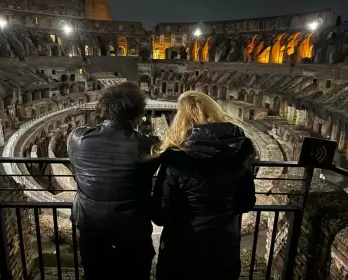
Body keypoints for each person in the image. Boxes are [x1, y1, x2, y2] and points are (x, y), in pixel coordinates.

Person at [151, 91, 256, 280]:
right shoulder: (239, 153)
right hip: (223, 247)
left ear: (180, 120)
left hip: (182, 250)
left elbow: (160, 215)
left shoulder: (176, 159)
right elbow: (247, 202)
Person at [68, 82, 159, 280]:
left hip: (91, 227)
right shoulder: (147, 145)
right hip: (133, 230)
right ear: (136, 113)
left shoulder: (78, 139)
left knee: (95, 273)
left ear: (101, 110)